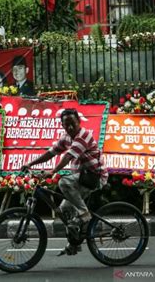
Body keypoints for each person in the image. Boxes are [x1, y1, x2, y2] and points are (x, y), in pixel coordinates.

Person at [21, 108, 108, 256]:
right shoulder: (66, 137)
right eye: (66, 124)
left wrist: (53, 171)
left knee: (63, 182)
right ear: (62, 125)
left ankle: (84, 214)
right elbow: (51, 153)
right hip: (81, 178)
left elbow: (68, 156)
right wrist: (31, 164)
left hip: (93, 177)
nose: (70, 127)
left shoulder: (83, 136)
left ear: (79, 122)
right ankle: (74, 244)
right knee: (65, 211)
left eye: (72, 123)